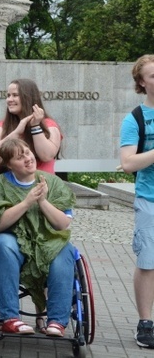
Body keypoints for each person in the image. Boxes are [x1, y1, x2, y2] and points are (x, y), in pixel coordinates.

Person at [0, 138, 76, 337]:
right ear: (8, 164)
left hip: (46, 242)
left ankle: (56, 321)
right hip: (9, 242)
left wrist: (43, 202)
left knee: (65, 251)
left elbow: (63, 224)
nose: (28, 159)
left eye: (28, 153)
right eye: (20, 158)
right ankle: (10, 318)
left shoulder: (52, 182)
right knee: (5, 244)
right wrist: (27, 202)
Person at [120, 54, 154, 348]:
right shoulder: (136, 119)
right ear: (142, 82)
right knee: (148, 262)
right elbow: (128, 162)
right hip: (150, 199)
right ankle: (146, 323)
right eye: (153, 76)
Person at [0, 79, 61, 173]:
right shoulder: (1, 126)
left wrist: (35, 126)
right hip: (10, 185)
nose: (9, 100)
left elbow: (46, 156)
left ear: (28, 98)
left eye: (15, 95)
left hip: (42, 184)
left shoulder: (50, 125)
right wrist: (16, 133)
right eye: (8, 95)